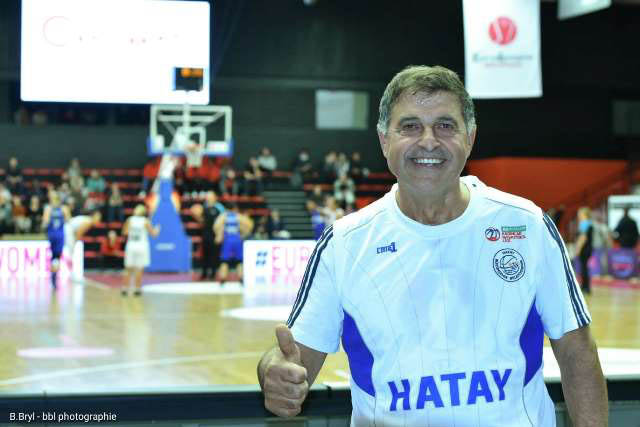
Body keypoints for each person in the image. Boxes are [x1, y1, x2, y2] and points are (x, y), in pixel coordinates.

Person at [257, 65, 607, 426]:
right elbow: (294, 360)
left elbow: (577, 352)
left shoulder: (526, 225)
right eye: (410, 126)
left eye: (445, 125)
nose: (428, 140)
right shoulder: (344, 243)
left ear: (470, 138)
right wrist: (274, 373)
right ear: (384, 140)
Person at [122, 204, 160, 296]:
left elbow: (125, 232)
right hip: (142, 246)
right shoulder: (145, 221)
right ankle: (137, 289)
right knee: (139, 269)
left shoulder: (130, 220)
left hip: (131, 246)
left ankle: (125, 288)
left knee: (128, 269)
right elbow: (154, 234)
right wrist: (157, 229)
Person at [214, 204, 253, 284]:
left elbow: (216, 226)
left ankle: (223, 278)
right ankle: (241, 277)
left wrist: (219, 235)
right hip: (237, 240)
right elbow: (250, 225)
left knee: (224, 260)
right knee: (239, 260)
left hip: (227, 240)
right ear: (235, 209)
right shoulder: (239, 216)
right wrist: (243, 234)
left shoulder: (223, 216)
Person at [193, 191, 225, 281]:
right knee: (205, 254)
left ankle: (213, 273)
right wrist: (196, 215)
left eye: (210, 196)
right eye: (207, 197)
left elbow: (223, 221)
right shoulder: (204, 207)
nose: (208, 198)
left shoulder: (219, 208)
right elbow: (202, 220)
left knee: (214, 254)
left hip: (215, 234)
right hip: (206, 233)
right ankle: (204, 273)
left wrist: (220, 234)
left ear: (214, 197)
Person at [42, 191, 70, 290]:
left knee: (56, 258)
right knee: (55, 257)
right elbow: (45, 222)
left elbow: (68, 220)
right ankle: (53, 279)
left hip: (59, 236)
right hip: (54, 236)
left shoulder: (63, 208)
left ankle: (54, 278)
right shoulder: (49, 209)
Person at [575, 207, 594, 294]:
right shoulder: (590, 223)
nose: (578, 216)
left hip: (584, 248)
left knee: (584, 268)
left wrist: (578, 248)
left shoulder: (584, 223)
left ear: (584, 214)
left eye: (580, 214)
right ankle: (585, 286)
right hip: (589, 248)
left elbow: (583, 237)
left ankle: (585, 287)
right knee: (585, 267)